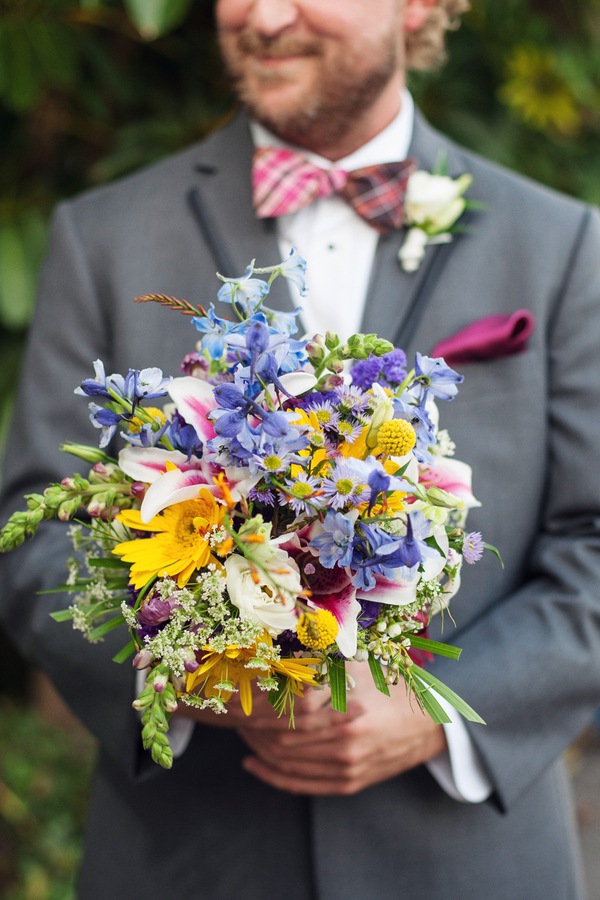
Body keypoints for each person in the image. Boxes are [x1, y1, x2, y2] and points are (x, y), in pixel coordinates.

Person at [1, 1, 600, 897]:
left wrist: (439, 713)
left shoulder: (563, 245)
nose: (264, 16)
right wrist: (195, 674)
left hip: (468, 863)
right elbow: (30, 531)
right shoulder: (104, 236)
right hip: (190, 859)